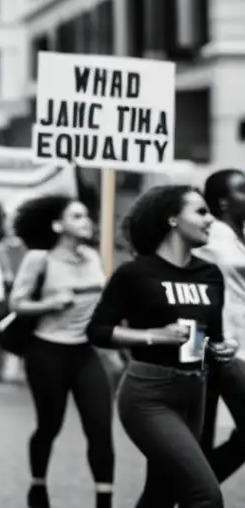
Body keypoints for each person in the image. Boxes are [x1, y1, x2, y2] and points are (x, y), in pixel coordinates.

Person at [87, 185, 238, 508]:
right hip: (149, 395)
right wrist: (152, 335)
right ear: (172, 219)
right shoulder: (135, 273)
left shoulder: (209, 274)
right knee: (205, 496)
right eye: (200, 211)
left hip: (194, 391)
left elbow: (209, 337)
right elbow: (97, 331)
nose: (210, 219)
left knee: (161, 495)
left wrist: (222, 348)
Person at [9, 194, 113, 508]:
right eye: (77, 216)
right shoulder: (39, 259)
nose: (87, 222)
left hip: (85, 354)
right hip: (47, 353)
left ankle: (104, 499)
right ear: (58, 225)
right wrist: (50, 304)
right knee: (49, 426)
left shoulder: (93, 258)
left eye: (86, 216)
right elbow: (17, 303)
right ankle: (37, 486)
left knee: (100, 427)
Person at [198, 168, 245, 481]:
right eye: (242, 189)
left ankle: (194, 490)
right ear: (224, 203)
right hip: (216, 350)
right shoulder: (209, 237)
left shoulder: (238, 237)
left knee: (197, 446)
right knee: (198, 438)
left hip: (237, 349)